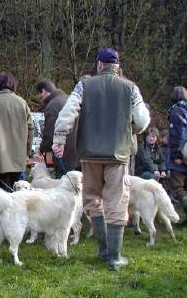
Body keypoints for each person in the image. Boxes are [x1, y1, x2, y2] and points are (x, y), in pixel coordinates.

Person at [52, 48, 150, 270]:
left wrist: (59, 137)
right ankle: (114, 258)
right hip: (118, 153)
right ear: (117, 66)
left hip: (89, 153)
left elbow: (69, 111)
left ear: (98, 65)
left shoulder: (84, 85)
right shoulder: (130, 87)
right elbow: (142, 121)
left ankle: (103, 249)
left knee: (93, 198)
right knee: (116, 202)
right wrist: (129, 128)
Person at [0, 72, 33, 191]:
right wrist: (27, 152)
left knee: (1, 191)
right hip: (18, 156)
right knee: (17, 193)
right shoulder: (22, 102)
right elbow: (30, 128)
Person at [166, 86, 187, 230]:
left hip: (181, 155)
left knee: (178, 188)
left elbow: (177, 134)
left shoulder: (176, 111)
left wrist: (176, 155)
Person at [36, 80, 78, 177]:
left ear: (43, 91)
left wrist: (42, 150)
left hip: (63, 153)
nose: (41, 98)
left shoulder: (52, 105)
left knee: (64, 186)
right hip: (77, 153)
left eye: (40, 95)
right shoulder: (70, 100)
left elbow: (49, 133)